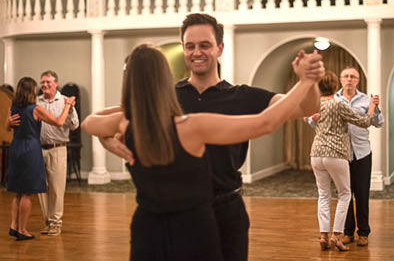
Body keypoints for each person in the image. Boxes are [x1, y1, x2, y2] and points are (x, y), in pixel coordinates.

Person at [82, 43, 322, 261]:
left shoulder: (126, 122)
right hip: (192, 229)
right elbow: (264, 123)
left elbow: (90, 122)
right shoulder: (191, 127)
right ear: (165, 79)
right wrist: (304, 82)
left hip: (147, 228)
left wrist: (107, 139)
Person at [308, 71, 377, 251]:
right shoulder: (338, 104)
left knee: (323, 195)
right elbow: (363, 121)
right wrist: (371, 108)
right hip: (336, 154)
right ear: (334, 86)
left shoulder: (314, 104)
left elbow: (306, 117)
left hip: (316, 153)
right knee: (345, 194)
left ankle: (323, 236)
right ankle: (337, 236)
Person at [6, 77, 74, 241]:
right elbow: (59, 122)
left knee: (18, 192)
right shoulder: (35, 109)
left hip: (15, 149)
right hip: (30, 150)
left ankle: (14, 226)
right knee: (27, 194)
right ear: (31, 91)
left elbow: (8, 128)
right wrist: (67, 105)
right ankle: (22, 230)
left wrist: (8, 122)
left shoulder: (13, 107)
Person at [37, 70, 79, 236]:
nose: (45, 85)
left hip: (58, 148)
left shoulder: (64, 101)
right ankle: (48, 222)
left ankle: (56, 223)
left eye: (48, 82)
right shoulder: (36, 102)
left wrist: (69, 110)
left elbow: (75, 125)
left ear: (56, 84)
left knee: (56, 188)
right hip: (39, 149)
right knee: (41, 188)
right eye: (43, 82)